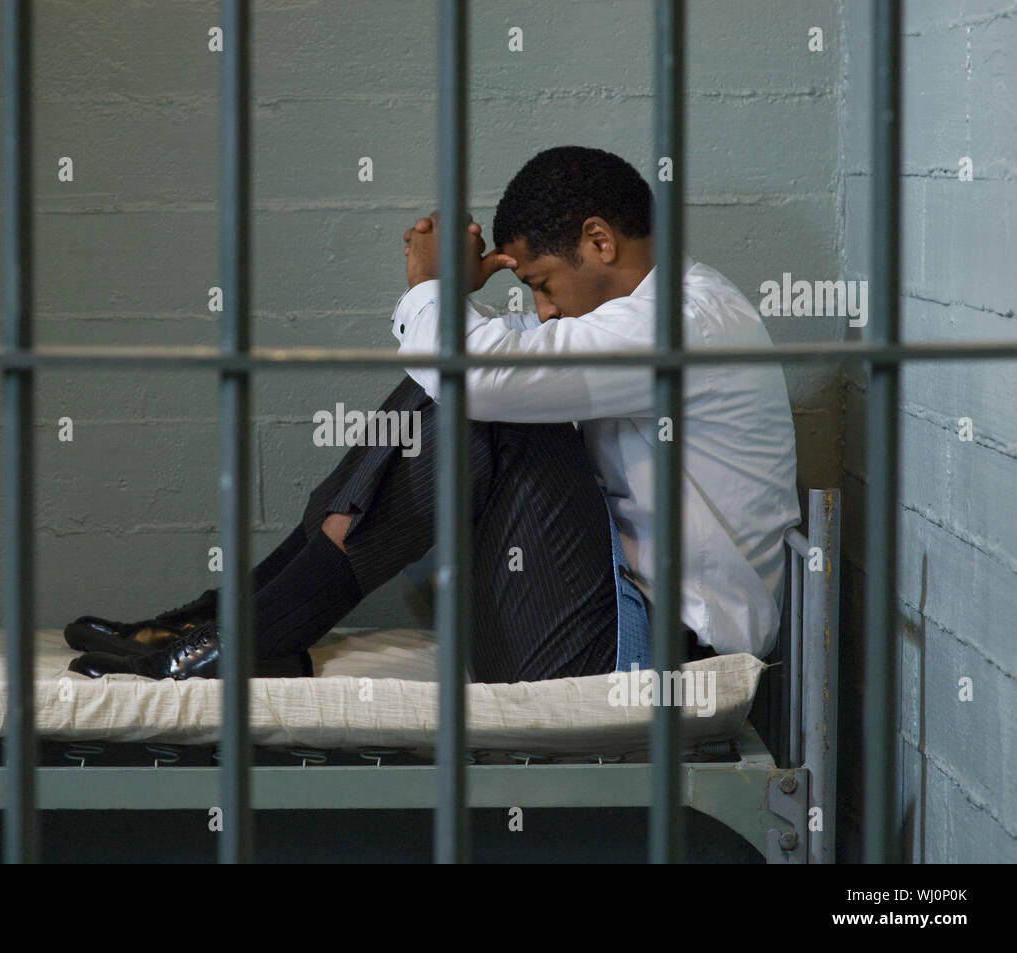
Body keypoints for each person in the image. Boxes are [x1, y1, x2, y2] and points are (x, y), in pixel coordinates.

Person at [65, 145, 801, 683]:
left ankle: (242, 633)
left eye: (543, 283)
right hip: (594, 622)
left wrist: (431, 286)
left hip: (654, 658)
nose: (542, 309)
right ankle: (231, 625)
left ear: (600, 242)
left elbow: (482, 373)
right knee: (467, 387)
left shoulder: (685, 320)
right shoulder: (640, 315)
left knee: (482, 398)